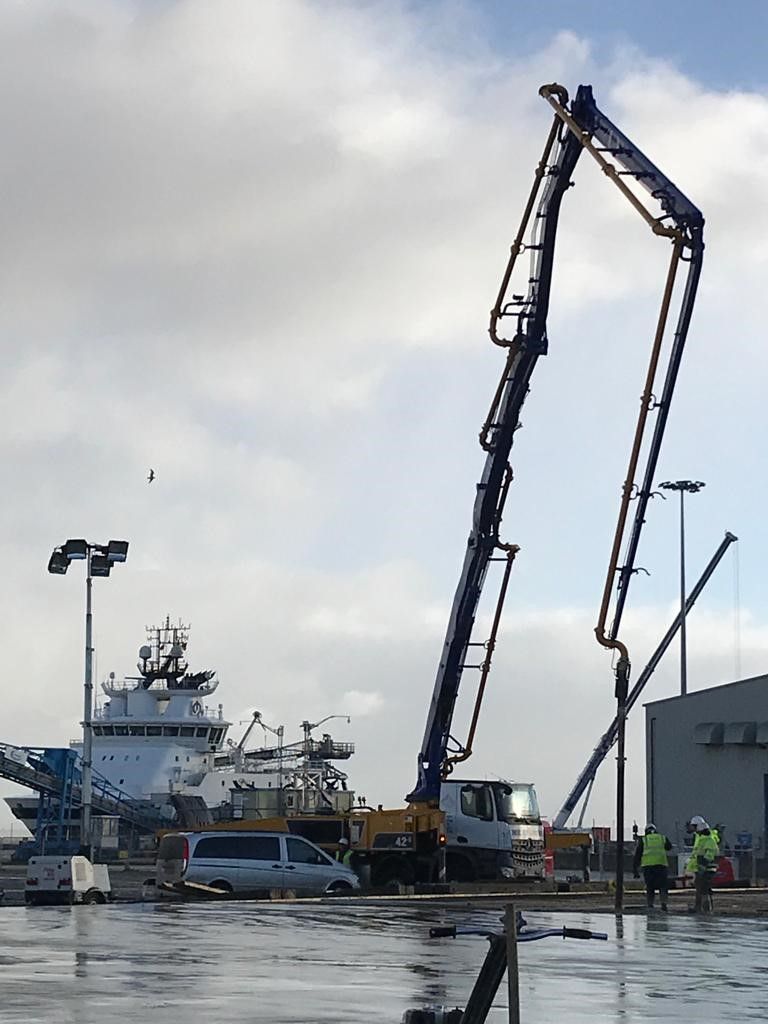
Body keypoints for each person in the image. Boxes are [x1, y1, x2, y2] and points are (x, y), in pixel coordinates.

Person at [633, 824, 672, 911]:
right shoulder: (662, 838)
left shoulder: (644, 840)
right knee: (663, 886)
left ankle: (650, 904)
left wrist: (635, 869)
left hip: (648, 867)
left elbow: (638, 855)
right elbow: (669, 847)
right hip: (661, 866)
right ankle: (664, 903)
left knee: (650, 887)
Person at [686, 815, 719, 913]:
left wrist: (702, 866)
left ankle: (706, 910)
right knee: (700, 888)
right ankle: (699, 908)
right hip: (701, 868)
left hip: (706, 868)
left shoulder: (708, 840)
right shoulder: (700, 838)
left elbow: (709, 855)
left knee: (704, 889)